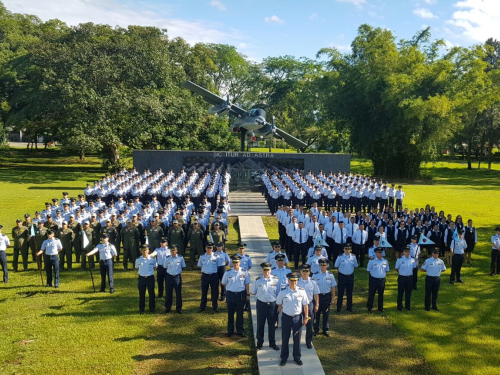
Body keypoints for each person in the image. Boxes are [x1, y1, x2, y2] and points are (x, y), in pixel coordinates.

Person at [276, 272, 309, 367]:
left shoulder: (302, 291)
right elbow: (279, 303)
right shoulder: (283, 292)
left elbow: (305, 305)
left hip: (297, 318)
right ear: (288, 281)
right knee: (285, 338)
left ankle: (297, 357)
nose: (293, 282)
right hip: (286, 318)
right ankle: (283, 358)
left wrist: (306, 317)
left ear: (297, 281)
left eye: (295, 280)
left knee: (297, 339)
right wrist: (281, 308)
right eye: (291, 280)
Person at [250, 262, 280, 351]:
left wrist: (279, 306)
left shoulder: (276, 280)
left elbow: (279, 293)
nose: (266, 271)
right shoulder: (258, 280)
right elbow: (252, 292)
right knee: (260, 324)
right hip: (261, 305)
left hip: (272, 305)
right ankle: (259, 343)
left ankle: (272, 343)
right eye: (264, 270)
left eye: (268, 270)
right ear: (262, 270)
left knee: (272, 325)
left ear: (270, 270)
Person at [222, 254, 251, 337]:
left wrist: (248, 294)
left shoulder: (244, 271)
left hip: (241, 295)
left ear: (240, 262)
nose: (235, 264)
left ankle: (240, 331)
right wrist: (231, 286)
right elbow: (223, 283)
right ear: (232, 263)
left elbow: (247, 283)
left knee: (240, 313)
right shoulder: (228, 272)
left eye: (237, 262)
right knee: (230, 313)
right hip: (230, 294)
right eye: (234, 262)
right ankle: (230, 330)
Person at [311, 258, 336, 337]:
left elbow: (333, 287)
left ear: (327, 265)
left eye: (324, 265)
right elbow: (312, 287)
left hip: (327, 296)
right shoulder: (315, 275)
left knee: (326, 314)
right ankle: (316, 329)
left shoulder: (330, 275)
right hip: (318, 296)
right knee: (316, 314)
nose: (323, 267)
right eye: (321, 265)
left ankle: (326, 330)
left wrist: (333, 298)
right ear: (319, 266)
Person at [297, 264, 319, 349]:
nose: (305, 273)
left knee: (310, 324)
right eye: (303, 271)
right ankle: (297, 341)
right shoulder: (297, 281)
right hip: (298, 305)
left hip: (309, 304)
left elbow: (316, 294)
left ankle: (308, 341)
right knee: (298, 323)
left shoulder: (313, 282)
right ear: (300, 272)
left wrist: (317, 304)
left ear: (309, 272)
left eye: (307, 271)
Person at [334, 243, 358, 313]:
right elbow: (336, 266)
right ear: (343, 249)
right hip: (342, 276)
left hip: (350, 276)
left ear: (350, 249)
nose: (347, 250)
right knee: (340, 293)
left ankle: (349, 307)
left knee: (349, 293)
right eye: (346, 249)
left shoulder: (353, 257)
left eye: (349, 249)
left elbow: (355, 266)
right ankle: (339, 308)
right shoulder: (340, 257)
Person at [135, 244, 157, 314]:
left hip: (150, 278)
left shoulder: (152, 259)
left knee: (151, 294)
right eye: (143, 250)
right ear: (141, 251)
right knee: (142, 294)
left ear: (148, 251)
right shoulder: (138, 259)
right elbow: (137, 268)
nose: (145, 252)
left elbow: (155, 267)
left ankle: (152, 308)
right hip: (142, 278)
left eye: (146, 250)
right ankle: (141, 309)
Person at [197, 242, 220, 312]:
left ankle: (215, 306)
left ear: (212, 249)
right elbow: (200, 265)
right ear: (205, 248)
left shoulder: (216, 256)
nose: (209, 249)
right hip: (205, 276)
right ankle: (202, 306)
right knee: (204, 292)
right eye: (208, 248)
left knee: (215, 292)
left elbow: (219, 266)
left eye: (210, 248)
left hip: (214, 276)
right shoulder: (202, 256)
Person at [163, 244, 186, 313]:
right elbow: (165, 266)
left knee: (178, 293)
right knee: (168, 293)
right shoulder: (167, 258)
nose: (173, 251)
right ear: (170, 251)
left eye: (174, 250)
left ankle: (179, 308)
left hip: (177, 277)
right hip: (169, 276)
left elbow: (183, 266)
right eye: (172, 250)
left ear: (177, 251)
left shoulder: (180, 258)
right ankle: (168, 307)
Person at [366, 248, 389, 313]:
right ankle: (369, 307)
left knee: (381, 294)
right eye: (378, 252)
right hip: (373, 279)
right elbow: (368, 270)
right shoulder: (372, 261)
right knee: (371, 294)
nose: (380, 254)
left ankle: (380, 307)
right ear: (375, 253)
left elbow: (386, 270)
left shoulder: (385, 261)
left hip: (381, 280)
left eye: (381, 252)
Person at [395, 246, 416, 311]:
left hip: (409, 278)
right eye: (406, 251)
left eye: (408, 251)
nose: (407, 253)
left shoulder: (412, 259)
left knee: (408, 293)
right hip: (402, 277)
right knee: (400, 292)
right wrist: (402, 273)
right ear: (403, 252)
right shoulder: (400, 259)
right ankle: (399, 306)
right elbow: (397, 268)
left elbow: (413, 267)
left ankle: (407, 306)